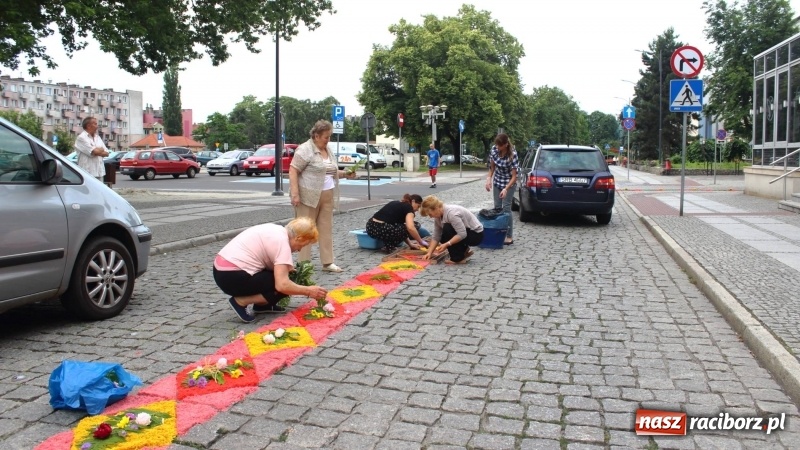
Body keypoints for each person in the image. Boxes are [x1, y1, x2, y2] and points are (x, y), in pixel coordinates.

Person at [213, 217, 330, 323]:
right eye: (302, 245)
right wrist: (309, 291)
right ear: (298, 238)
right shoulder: (282, 243)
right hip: (233, 276)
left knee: (283, 276)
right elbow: (283, 285)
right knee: (287, 283)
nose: (299, 250)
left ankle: (262, 305)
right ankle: (241, 301)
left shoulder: (277, 230)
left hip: (221, 271)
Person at [289, 120, 356, 273]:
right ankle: (303, 264)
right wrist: (295, 194)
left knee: (326, 229)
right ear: (316, 136)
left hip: (327, 194)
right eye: (326, 137)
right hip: (308, 196)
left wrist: (346, 174)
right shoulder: (305, 149)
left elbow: (330, 171)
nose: (328, 140)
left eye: (329, 136)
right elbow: (293, 170)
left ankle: (328, 262)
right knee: (305, 230)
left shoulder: (328, 150)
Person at [420, 195, 484, 265]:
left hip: (476, 235)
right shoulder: (438, 216)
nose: (430, 217)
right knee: (443, 236)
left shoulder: (451, 214)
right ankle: (463, 250)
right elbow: (436, 236)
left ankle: (458, 258)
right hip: (466, 232)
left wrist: (447, 244)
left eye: (430, 214)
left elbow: (462, 234)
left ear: (436, 208)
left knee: (447, 228)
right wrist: (429, 253)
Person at [485, 133, 519, 245]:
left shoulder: (513, 155)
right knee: (497, 208)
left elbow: (514, 177)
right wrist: (489, 179)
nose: (497, 147)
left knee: (506, 209)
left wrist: (506, 189)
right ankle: (498, 232)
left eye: (499, 145)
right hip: (497, 182)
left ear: (505, 145)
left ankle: (509, 236)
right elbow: (492, 168)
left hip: (509, 183)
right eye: (496, 145)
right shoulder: (494, 150)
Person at [74, 117, 109, 181]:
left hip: (100, 172)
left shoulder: (98, 137)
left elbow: (107, 153)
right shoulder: (81, 138)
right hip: (87, 173)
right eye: (95, 124)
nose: (97, 126)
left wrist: (97, 150)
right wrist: (100, 150)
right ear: (88, 126)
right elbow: (94, 152)